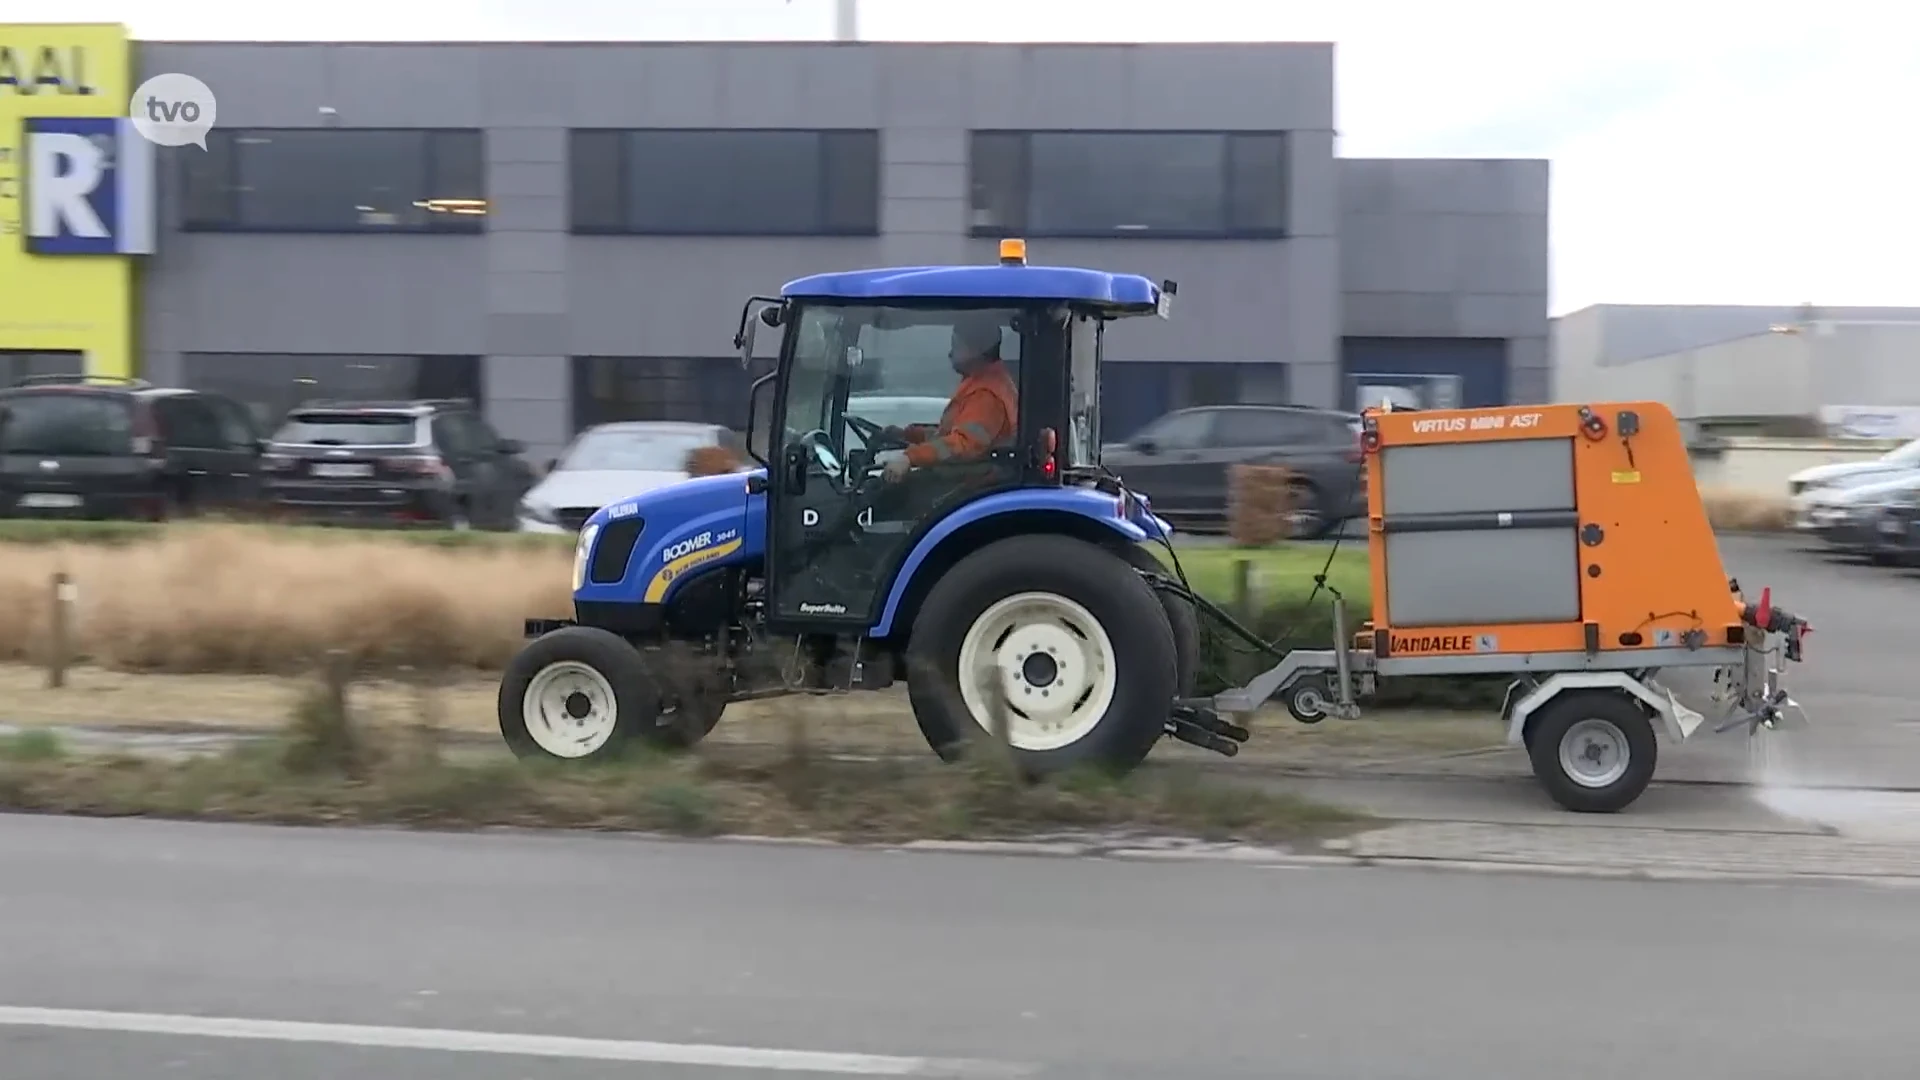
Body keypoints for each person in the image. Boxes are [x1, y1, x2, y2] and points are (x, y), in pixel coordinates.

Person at [879, 314, 1019, 483]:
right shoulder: (983, 382)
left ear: (976, 350)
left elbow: (960, 445)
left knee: (888, 498)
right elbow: (950, 436)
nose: (950, 353)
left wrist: (909, 458)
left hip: (969, 482)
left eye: (956, 345)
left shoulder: (986, 395)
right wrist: (908, 435)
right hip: (964, 476)